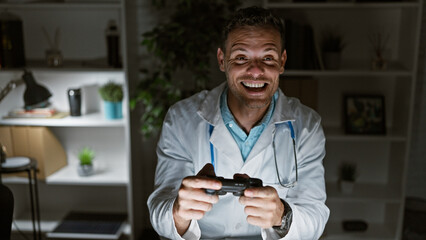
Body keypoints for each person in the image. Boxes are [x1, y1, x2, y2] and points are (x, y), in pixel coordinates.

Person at [148, 6, 329, 240]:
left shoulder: (307, 127)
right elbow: (160, 216)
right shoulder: (181, 119)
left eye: (268, 58)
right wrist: (178, 212)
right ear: (222, 60)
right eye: (241, 57)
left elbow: (315, 218)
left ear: (282, 62)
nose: (255, 71)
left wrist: (281, 216)